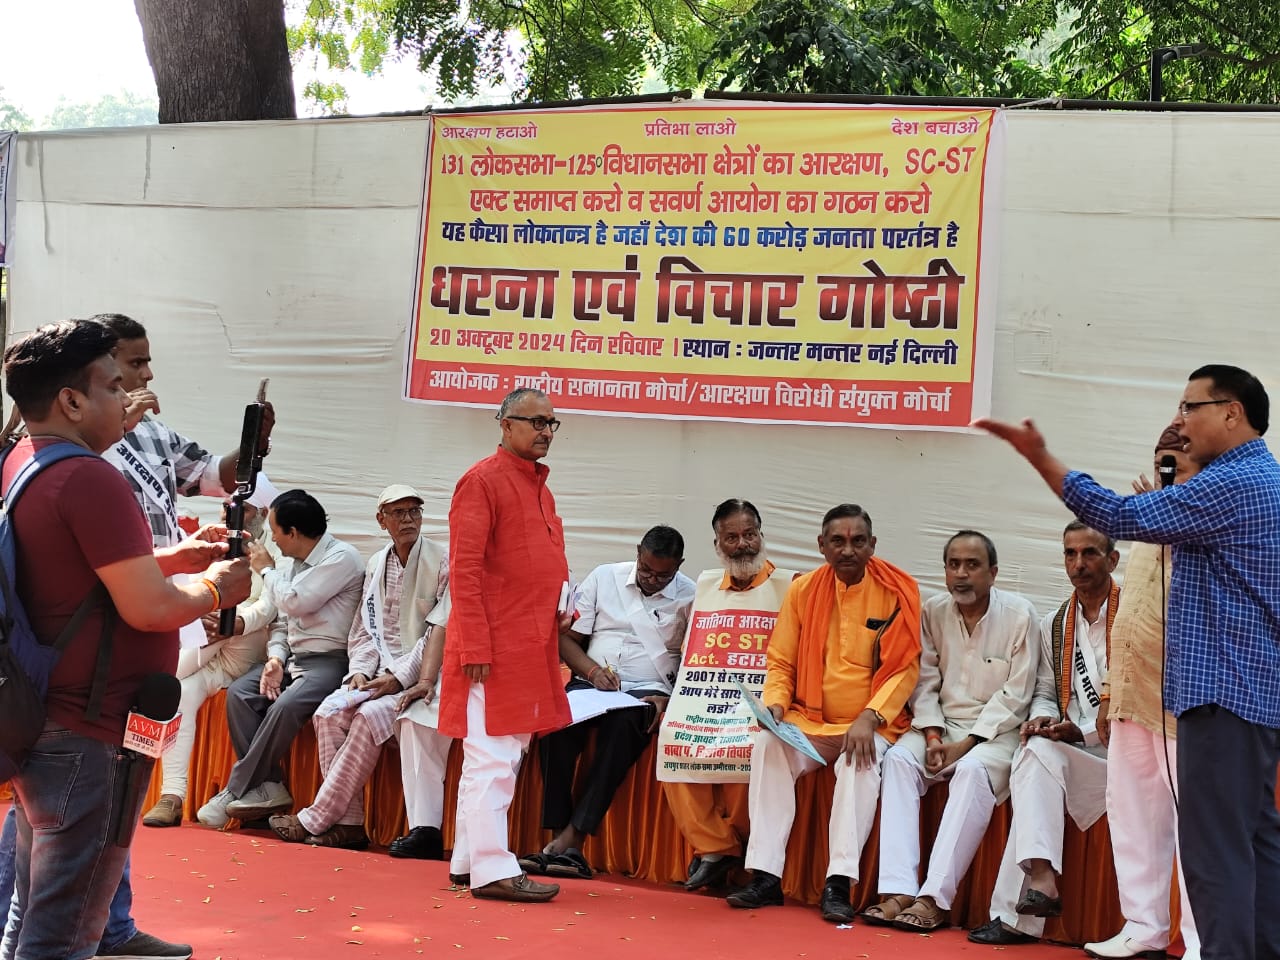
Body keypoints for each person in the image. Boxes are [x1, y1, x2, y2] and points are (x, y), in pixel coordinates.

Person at [977, 364, 1280, 960]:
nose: (1178, 419)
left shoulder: (1234, 483)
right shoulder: (1252, 480)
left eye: (1190, 407)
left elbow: (1116, 517)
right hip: (1238, 691)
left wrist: (1041, 458)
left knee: (1214, 848)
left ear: (1231, 413)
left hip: (1223, 691)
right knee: (1254, 839)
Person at [0, 320, 249, 960]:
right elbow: (147, 609)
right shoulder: (90, 477)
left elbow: (75, 581)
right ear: (72, 401)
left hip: (52, 720)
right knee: (66, 929)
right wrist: (218, 588)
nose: (130, 396)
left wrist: (171, 559)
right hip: (90, 729)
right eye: (114, 383)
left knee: (34, 909)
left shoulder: (27, 461)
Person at [91, 312, 273, 960]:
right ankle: (41, 925)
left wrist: (250, 448)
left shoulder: (155, 436)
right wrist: (113, 426)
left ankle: (113, 926)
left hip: (155, 643)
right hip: (93, 651)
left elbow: (216, 475)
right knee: (71, 794)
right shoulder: (70, 445)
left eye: (147, 361)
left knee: (126, 786)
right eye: (133, 363)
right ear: (95, 370)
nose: (146, 374)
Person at [727, 504, 922, 923]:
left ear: (873, 545)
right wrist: (776, 705)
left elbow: (905, 668)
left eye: (857, 541)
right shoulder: (804, 590)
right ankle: (765, 876)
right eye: (838, 541)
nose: (847, 550)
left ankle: (838, 882)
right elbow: (781, 661)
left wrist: (871, 716)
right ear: (822, 545)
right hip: (810, 721)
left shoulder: (897, 592)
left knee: (859, 763)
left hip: (869, 722)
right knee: (767, 745)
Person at [863, 531, 1037, 932]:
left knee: (973, 772)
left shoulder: (1020, 615)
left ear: (993, 573)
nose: (961, 574)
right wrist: (934, 736)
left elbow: (1017, 693)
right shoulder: (933, 611)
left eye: (972, 565)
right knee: (901, 760)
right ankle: (898, 889)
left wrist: (968, 743)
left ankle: (934, 898)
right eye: (953, 565)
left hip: (997, 733)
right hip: (940, 726)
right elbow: (923, 681)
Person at [437, 389, 572, 903]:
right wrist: (473, 644)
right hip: (491, 647)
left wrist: (561, 597)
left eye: (552, 424)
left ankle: (469, 860)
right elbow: (464, 571)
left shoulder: (540, 486)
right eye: (535, 421)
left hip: (529, 643)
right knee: (493, 756)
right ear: (504, 424)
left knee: (497, 756)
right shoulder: (482, 481)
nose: (544, 431)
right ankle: (493, 869)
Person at [267, 484, 450, 850]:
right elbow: (364, 629)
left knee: (367, 717)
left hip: (425, 678)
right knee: (329, 714)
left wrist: (397, 678)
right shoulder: (376, 562)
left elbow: (437, 633)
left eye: (414, 511)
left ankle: (316, 817)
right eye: (398, 513)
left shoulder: (442, 561)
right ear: (381, 520)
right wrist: (361, 673)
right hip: (378, 672)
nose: (408, 520)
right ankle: (350, 825)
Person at [969, 522, 1118, 946]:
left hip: (1127, 751)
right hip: (1079, 749)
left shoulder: (1136, 616)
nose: (1078, 564)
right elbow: (1047, 691)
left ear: (1112, 560)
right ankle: (1041, 877)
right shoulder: (1056, 622)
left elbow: (1141, 697)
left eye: (1089, 553)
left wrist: (1083, 732)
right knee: (1033, 748)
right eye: (1070, 554)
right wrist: (1043, 719)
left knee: (1033, 763)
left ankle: (1019, 914)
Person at [1083, 428, 1201, 960]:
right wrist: (1109, 690)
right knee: (1131, 815)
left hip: (1184, 699)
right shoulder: (1145, 520)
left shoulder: (1211, 520)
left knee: (1195, 824)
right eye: (1161, 461)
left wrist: (1171, 521)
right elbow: (1130, 613)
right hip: (1133, 694)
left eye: (1176, 461)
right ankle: (1144, 927)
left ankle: (1203, 940)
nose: (1166, 469)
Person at [521, 525, 696, 880]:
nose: (651, 580)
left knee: (623, 730)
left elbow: (695, 660)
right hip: (593, 684)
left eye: (664, 575)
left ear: (679, 565)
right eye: (646, 570)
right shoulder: (605, 578)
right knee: (556, 724)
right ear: (637, 553)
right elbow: (565, 639)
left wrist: (670, 700)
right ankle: (558, 836)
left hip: (647, 689)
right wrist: (591, 670)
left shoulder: (692, 596)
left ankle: (573, 839)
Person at [196, 489, 363, 827]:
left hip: (331, 661)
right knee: (242, 693)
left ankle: (236, 787)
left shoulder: (342, 558)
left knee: (285, 705)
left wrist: (268, 571)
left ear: (294, 533)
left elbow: (295, 602)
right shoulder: (290, 563)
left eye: (275, 531)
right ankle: (269, 785)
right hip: (292, 660)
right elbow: (282, 623)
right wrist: (274, 659)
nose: (272, 538)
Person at [662, 499, 797, 893]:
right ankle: (715, 849)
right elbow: (684, 647)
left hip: (766, 701)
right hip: (704, 699)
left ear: (761, 534)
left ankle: (738, 847)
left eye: (750, 534)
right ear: (717, 542)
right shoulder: (703, 586)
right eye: (732, 537)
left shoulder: (791, 586)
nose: (743, 545)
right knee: (673, 740)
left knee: (749, 747)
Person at [141, 480, 283, 828]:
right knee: (181, 693)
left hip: (244, 654)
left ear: (262, 515)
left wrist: (233, 623)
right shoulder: (213, 548)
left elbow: (271, 607)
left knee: (178, 670)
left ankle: (143, 688)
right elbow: (188, 593)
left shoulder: (272, 556)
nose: (230, 515)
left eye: (242, 510)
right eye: (226, 508)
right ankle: (172, 796)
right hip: (207, 653)